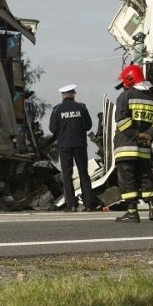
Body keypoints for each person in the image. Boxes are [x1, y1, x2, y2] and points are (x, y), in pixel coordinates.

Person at [113, 64, 153, 223]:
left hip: (125, 147)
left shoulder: (125, 96)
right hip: (144, 149)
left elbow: (122, 122)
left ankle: (132, 212)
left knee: (127, 179)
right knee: (146, 178)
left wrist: (136, 135)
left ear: (129, 80)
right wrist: (148, 135)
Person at [48, 84, 96, 212]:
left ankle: (72, 205)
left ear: (63, 95)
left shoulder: (57, 109)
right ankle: (89, 205)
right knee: (83, 174)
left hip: (64, 146)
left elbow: (52, 128)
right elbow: (88, 125)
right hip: (80, 145)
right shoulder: (81, 107)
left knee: (67, 175)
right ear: (74, 94)